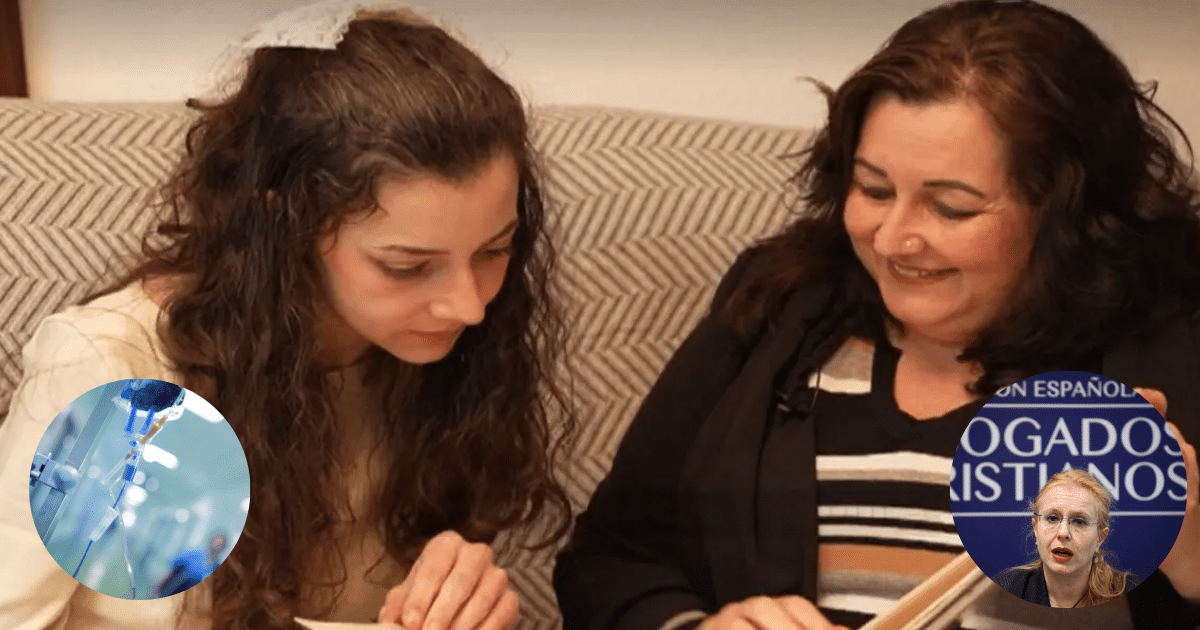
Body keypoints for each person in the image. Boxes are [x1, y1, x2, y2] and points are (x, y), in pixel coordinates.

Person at [553, 1, 1200, 629]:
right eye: (874, 189)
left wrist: (1193, 561)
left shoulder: (1170, 345)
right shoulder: (782, 303)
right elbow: (608, 558)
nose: (892, 240)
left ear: (1070, 215)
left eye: (950, 207)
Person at [0, 3, 574, 630]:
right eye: (407, 266)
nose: (469, 305)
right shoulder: (118, 371)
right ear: (287, 224)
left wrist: (457, 596)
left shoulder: (435, 354)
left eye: (493, 251)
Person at [992, 469, 1142, 608]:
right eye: (1052, 518)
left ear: (1100, 538)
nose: (1063, 533)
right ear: (1036, 528)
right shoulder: (1004, 589)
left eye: (1079, 521)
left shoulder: (1135, 595)